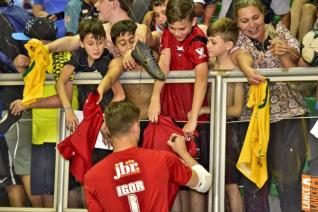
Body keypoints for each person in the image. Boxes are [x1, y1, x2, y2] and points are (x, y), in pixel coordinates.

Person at [230, 0, 307, 211]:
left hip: (290, 116)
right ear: (237, 22)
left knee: (290, 180)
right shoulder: (236, 37)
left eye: (255, 18)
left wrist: (286, 52)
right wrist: (247, 69)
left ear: (264, 15)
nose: (251, 25)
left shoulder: (278, 29)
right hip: (252, 119)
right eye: (244, 21)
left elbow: (297, 57)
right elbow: (238, 54)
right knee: (254, 183)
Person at [83, 100, 212, 212]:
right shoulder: (163, 160)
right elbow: (205, 182)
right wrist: (183, 152)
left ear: (108, 131)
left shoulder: (91, 178)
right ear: (136, 128)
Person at [147, 0, 210, 211]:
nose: (176, 33)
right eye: (172, 28)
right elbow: (163, 62)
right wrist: (155, 97)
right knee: (173, 176)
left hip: (194, 118)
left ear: (194, 21)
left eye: (181, 28)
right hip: (171, 112)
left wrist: (193, 120)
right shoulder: (168, 32)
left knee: (195, 178)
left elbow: (201, 78)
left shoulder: (198, 38)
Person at [200, 17, 244, 212]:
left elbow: (236, 109)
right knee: (213, 182)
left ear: (228, 45)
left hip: (229, 130)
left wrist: (206, 110)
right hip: (212, 128)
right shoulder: (209, 67)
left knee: (230, 185)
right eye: (208, 40)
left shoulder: (235, 71)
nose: (208, 45)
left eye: (213, 42)